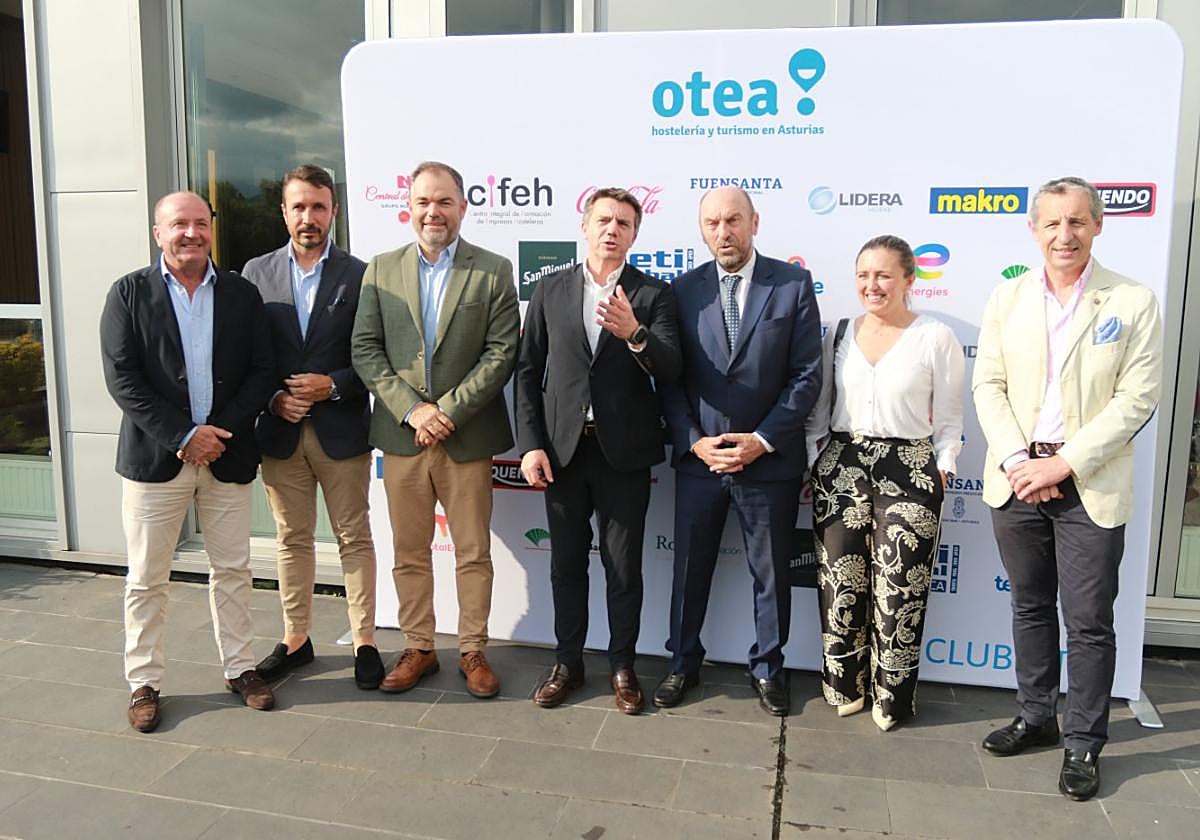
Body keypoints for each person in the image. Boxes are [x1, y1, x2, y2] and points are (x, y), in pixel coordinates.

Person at [973, 177, 1162, 801]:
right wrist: (1018, 460)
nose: (1064, 235)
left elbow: (1138, 398)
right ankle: (1035, 717)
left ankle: (1083, 742)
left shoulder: (1132, 301)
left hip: (1090, 484)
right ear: (1034, 230)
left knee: (1087, 623)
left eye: (1077, 222)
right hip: (1017, 479)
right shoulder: (1008, 298)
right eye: (1052, 224)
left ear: (1098, 226)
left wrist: (1064, 465)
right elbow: (989, 387)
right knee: (1029, 606)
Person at [100, 191, 277, 732]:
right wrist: (183, 435)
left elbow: (261, 372)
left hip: (225, 454)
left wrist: (217, 435)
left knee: (233, 570)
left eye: (201, 223)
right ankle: (144, 682)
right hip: (157, 460)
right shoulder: (129, 293)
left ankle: (241, 668)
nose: (191, 233)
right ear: (159, 232)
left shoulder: (242, 295)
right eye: (179, 224)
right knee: (147, 578)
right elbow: (122, 378)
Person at [351, 161, 519, 699]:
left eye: (444, 202)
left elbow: (501, 352)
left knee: (472, 551)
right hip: (403, 438)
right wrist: (413, 410)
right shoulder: (380, 269)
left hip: (465, 437)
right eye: (424, 201)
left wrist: (447, 410)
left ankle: (472, 649)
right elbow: (365, 350)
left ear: (462, 208)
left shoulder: (492, 270)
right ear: (410, 207)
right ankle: (420, 646)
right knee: (409, 550)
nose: (433, 212)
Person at [515, 188, 680, 715]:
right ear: (585, 226)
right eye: (604, 219)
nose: (613, 229)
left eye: (625, 223)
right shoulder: (550, 290)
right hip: (563, 455)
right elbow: (525, 372)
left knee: (623, 567)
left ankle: (623, 666)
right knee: (565, 565)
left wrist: (635, 335)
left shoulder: (654, 295)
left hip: (624, 455)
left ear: (635, 234)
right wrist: (530, 445)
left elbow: (672, 370)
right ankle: (568, 662)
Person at [656, 186, 821, 717]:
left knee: (771, 572)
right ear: (701, 229)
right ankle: (682, 663)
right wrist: (693, 440)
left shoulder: (792, 285)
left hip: (767, 462)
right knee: (688, 571)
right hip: (700, 460)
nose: (722, 232)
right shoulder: (680, 291)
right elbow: (671, 381)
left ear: (754, 222)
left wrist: (761, 441)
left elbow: (806, 375)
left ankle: (769, 668)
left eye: (733, 221)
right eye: (711, 223)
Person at [804, 234, 964, 731]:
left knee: (900, 590)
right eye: (864, 276)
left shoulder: (935, 336)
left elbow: (952, 419)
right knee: (839, 580)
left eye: (884, 276)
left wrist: (945, 465)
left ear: (909, 280)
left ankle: (891, 698)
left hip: (909, 466)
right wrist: (816, 459)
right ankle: (844, 686)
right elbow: (820, 407)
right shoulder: (839, 333)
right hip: (843, 462)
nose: (872, 286)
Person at [242, 164, 382, 690]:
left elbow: (374, 355)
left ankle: (364, 641)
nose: (309, 217)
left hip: (342, 429)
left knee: (353, 537)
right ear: (284, 212)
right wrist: (274, 398)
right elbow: (246, 358)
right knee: (291, 539)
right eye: (298, 207)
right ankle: (296, 639)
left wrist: (335, 385)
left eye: (318, 207)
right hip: (280, 433)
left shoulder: (361, 275)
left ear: (334, 212)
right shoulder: (256, 274)